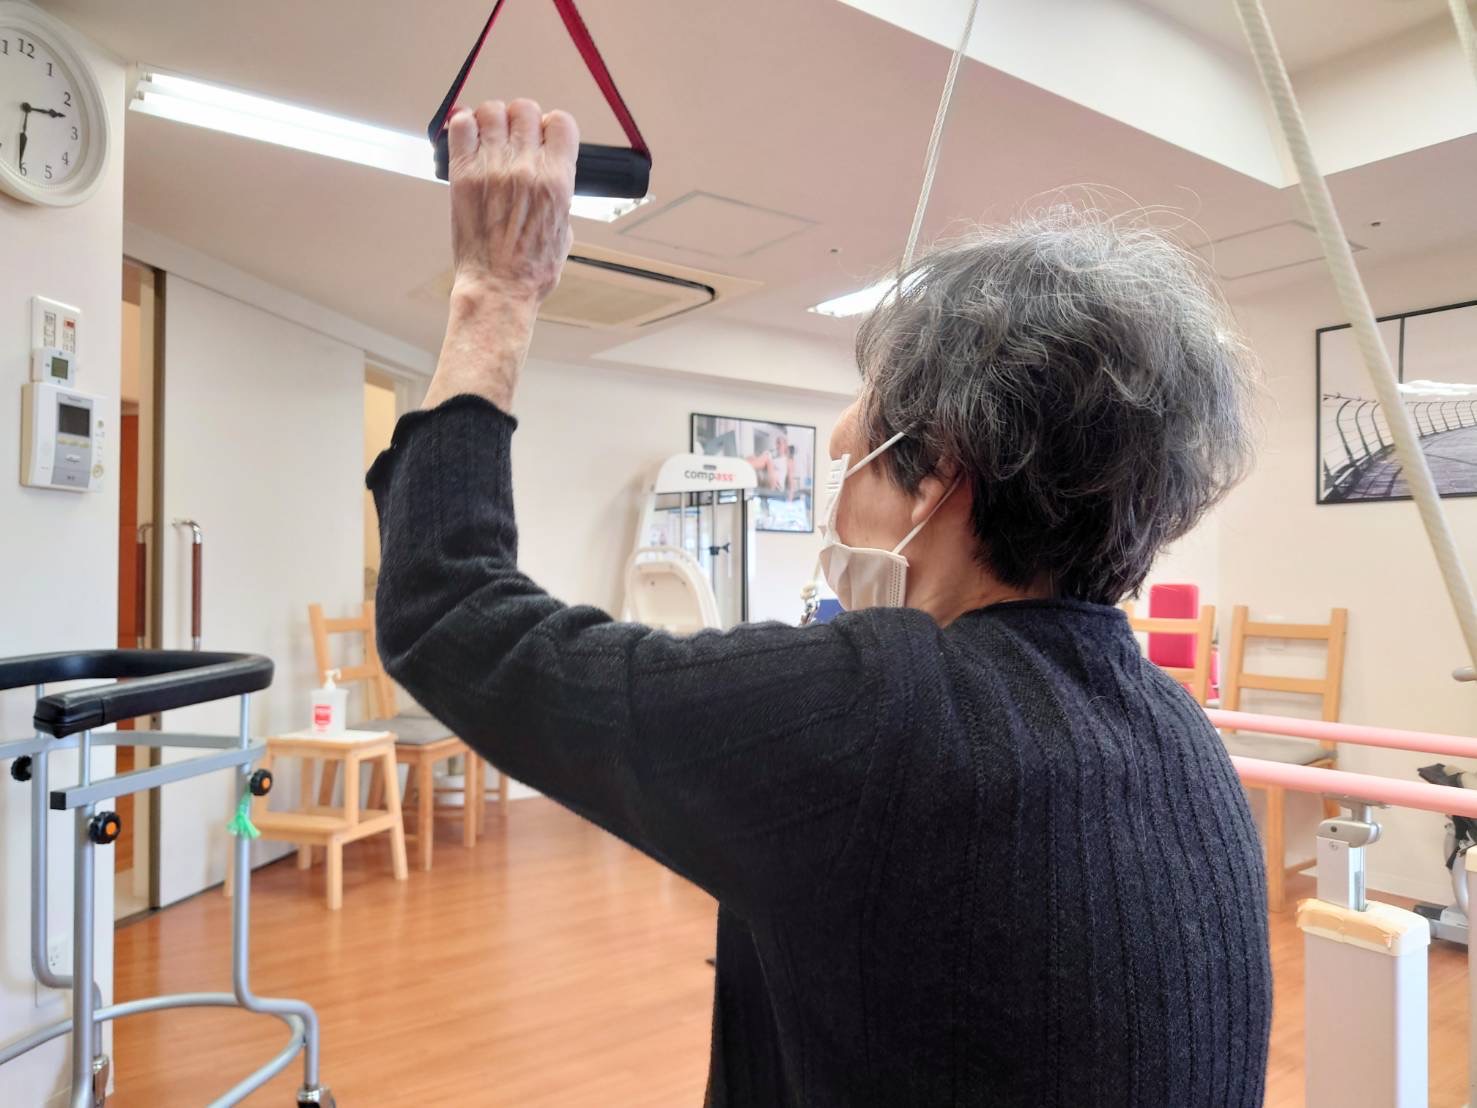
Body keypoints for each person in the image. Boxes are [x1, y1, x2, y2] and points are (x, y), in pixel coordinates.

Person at [368, 99, 1269, 1107]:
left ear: (938, 476)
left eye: (849, 461)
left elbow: (448, 614)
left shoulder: (881, 713)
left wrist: (495, 292)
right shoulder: (1183, 734)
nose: (835, 498)